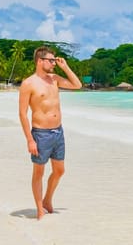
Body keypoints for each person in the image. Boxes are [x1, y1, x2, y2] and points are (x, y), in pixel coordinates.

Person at [18, 46, 82, 220]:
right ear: (40, 61)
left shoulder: (54, 79)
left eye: (55, 60)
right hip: (41, 134)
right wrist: (30, 140)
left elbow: (77, 85)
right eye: (51, 60)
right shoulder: (28, 84)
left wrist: (65, 67)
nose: (54, 63)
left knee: (60, 171)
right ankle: (40, 209)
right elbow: (23, 114)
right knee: (38, 172)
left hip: (58, 132)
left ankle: (47, 200)